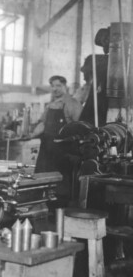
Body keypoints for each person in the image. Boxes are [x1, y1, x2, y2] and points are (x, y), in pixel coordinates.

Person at [31, 75, 83, 203]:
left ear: (66, 87)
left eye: (58, 86)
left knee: (61, 187)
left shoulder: (72, 103)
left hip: (63, 151)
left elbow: (80, 127)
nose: (55, 89)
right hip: (46, 151)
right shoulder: (50, 105)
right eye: (52, 86)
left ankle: (58, 212)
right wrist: (30, 135)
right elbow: (43, 124)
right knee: (42, 182)